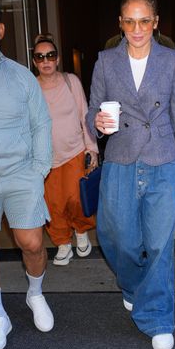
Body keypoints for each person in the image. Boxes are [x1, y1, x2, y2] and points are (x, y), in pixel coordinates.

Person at [86, 0, 175, 349]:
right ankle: (132, 284)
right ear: (119, 22)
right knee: (119, 240)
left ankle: (158, 316)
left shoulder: (171, 60)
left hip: (164, 159)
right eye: (129, 21)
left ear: (156, 22)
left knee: (161, 244)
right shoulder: (105, 61)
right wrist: (96, 123)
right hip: (120, 158)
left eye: (144, 21)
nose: (137, 29)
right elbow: (92, 110)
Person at [0, 0, 54, 349]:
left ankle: (35, 294)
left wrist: (38, 171)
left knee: (33, 243)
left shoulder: (23, 76)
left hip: (22, 174)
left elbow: (41, 124)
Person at [33, 34, 99, 266]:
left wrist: (92, 149)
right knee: (53, 204)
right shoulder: (31, 89)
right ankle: (62, 242)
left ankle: (81, 232)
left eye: (50, 55)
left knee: (76, 199)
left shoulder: (71, 82)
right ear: (34, 62)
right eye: (40, 57)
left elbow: (85, 116)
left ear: (58, 58)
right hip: (45, 158)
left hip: (74, 151)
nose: (46, 61)